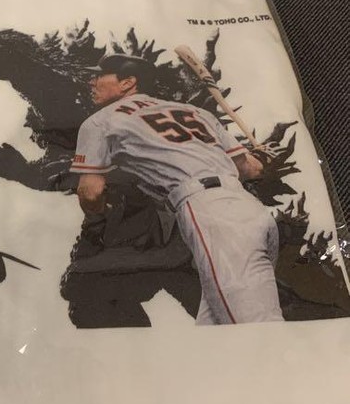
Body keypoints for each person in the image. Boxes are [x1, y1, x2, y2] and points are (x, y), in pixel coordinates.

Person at [70, 55, 284, 324]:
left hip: (213, 217)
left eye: (100, 76)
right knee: (219, 334)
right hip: (249, 210)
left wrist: (99, 217)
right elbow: (251, 169)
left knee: (255, 331)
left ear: (127, 83)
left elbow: (90, 192)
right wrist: (263, 155)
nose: (92, 81)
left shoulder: (101, 121)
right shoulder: (195, 112)